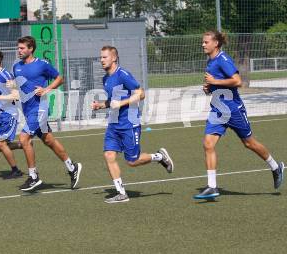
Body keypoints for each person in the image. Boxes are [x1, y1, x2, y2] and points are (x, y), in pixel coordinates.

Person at [194, 30, 284, 199]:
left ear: (216, 43)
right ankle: (212, 187)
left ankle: (275, 166)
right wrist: (209, 89)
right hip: (218, 110)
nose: (203, 44)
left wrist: (215, 82)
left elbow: (237, 81)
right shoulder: (210, 61)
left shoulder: (223, 59)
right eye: (203, 42)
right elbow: (217, 86)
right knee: (208, 144)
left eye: (206, 42)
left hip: (233, 110)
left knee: (249, 144)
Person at [91, 46, 174, 204]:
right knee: (109, 155)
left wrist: (121, 103)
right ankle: (121, 193)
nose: (101, 60)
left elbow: (141, 93)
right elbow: (113, 101)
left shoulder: (123, 75)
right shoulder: (105, 79)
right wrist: (101, 105)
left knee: (132, 161)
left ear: (114, 58)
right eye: (100, 57)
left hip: (130, 123)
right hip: (114, 124)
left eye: (105, 57)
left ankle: (159, 156)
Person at [13, 36, 82, 191]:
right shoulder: (16, 67)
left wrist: (46, 89)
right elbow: (19, 88)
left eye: (22, 48)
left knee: (24, 138)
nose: (19, 50)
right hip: (28, 110)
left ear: (31, 49)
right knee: (49, 141)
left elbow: (60, 78)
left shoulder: (42, 64)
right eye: (18, 48)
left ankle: (33, 176)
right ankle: (72, 168)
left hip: (40, 109)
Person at [0, 48, 24, 179]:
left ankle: (16, 170)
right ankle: (23, 144)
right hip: (0, 114)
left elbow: (16, 96)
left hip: (10, 114)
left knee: (1, 144)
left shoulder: (6, 75)